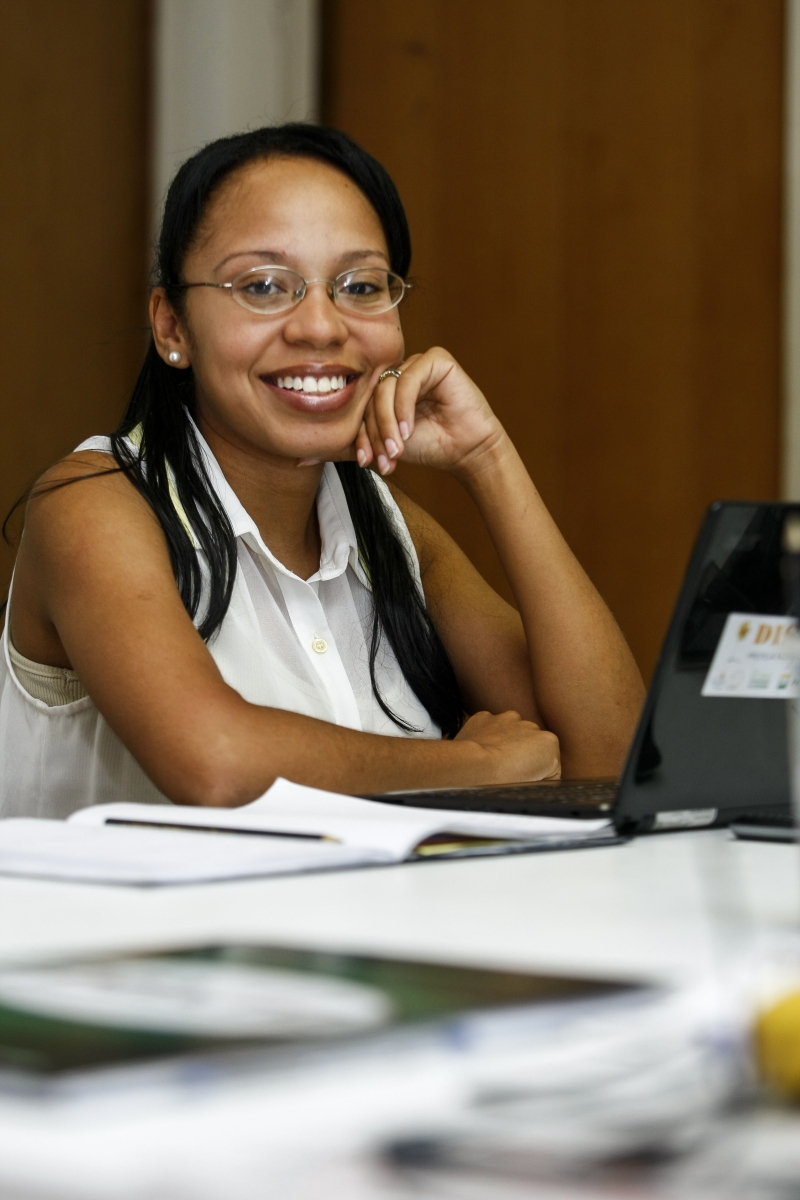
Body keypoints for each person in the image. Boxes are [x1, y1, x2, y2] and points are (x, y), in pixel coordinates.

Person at [0, 125, 644, 817]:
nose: (320, 327)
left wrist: (488, 458)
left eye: (361, 285)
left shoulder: (390, 528)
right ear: (172, 327)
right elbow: (215, 762)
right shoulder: (95, 503)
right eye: (265, 285)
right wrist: (476, 764)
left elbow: (611, 762)